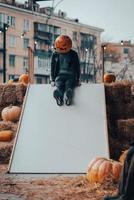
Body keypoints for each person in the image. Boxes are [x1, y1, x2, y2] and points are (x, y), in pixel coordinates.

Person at [51, 34, 80, 106]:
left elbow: (77, 67)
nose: (62, 47)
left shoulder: (73, 54)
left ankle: (67, 95)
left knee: (69, 84)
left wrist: (78, 79)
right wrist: (53, 79)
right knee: (59, 84)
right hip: (59, 76)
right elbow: (53, 67)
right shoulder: (55, 54)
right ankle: (60, 96)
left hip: (71, 75)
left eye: (64, 45)